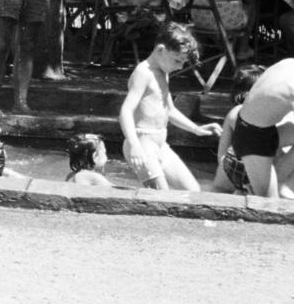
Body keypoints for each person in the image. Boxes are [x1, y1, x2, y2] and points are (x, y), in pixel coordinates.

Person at [118, 19, 221, 191]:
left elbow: (170, 111)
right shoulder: (143, 73)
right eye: (177, 61)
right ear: (160, 50)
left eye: (182, 62)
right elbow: (126, 111)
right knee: (162, 197)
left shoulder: (163, 72)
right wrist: (134, 144)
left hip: (160, 144)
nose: (180, 67)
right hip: (142, 144)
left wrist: (197, 129)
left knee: (193, 191)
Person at [231, 56, 294, 199]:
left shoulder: (288, 63)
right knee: (269, 205)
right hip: (252, 140)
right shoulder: (291, 84)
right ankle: (250, 189)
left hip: (262, 129)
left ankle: (285, 185)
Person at [211, 65, 266, 194]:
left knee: (219, 191)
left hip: (231, 165)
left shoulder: (234, 112)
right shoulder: (268, 113)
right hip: (256, 168)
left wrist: (225, 169)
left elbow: (222, 151)